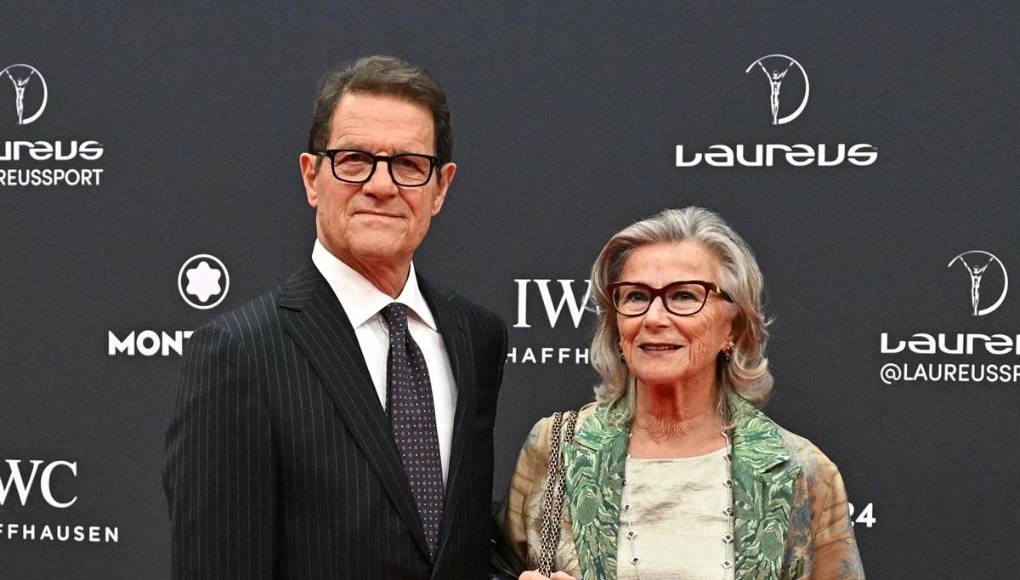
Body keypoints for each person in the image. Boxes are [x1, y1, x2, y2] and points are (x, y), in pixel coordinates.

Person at [164, 55, 508, 579]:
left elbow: (452, 547)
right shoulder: (240, 353)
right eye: (353, 160)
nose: (381, 185)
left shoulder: (476, 337)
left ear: (440, 188)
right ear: (312, 176)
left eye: (409, 165)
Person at [499, 207, 863, 579]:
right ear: (616, 323)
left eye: (685, 296)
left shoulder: (799, 469)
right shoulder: (557, 446)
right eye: (636, 297)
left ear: (733, 328)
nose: (654, 318)